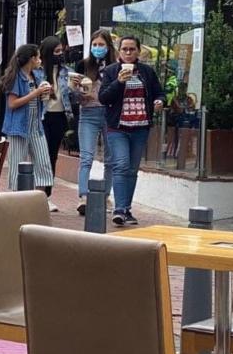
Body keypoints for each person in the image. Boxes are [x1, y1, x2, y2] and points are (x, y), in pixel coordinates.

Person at [98, 35, 164, 226]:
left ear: (138, 51)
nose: (128, 53)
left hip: (140, 127)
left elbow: (158, 92)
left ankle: (126, 208)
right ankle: (119, 210)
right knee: (121, 165)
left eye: (132, 49)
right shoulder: (111, 71)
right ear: (119, 51)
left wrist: (159, 101)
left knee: (132, 170)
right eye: (124, 49)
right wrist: (119, 82)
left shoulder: (147, 72)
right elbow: (103, 98)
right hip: (117, 127)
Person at [0, 44, 56, 210]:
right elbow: (12, 104)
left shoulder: (36, 76)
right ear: (32, 59)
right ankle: (17, 202)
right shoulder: (16, 78)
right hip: (18, 128)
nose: (40, 60)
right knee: (17, 164)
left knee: (43, 162)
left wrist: (45, 93)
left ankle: (39, 201)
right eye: (38, 57)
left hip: (36, 126)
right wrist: (34, 94)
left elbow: (39, 99)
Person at [71, 29, 115, 215]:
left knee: (111, 159)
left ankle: (105, 196)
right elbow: (73, 94)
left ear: (108, 46)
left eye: (101, 45)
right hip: (88, 113)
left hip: (109, 114)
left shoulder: (114, 66)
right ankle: (83, 196)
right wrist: (76, 90)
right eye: (94, 45)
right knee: (86, 157)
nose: (97, 48)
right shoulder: (83, 65)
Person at [39, 36, 74, 201]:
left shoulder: (66, 71)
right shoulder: (38, 72)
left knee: (52, 155)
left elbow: (71, 93)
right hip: (42, 116)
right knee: (42, 154)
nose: (60, 54)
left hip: (60, 116)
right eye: (57, 51)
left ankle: (47, 194)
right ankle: (38, 192)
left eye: (62, 51)